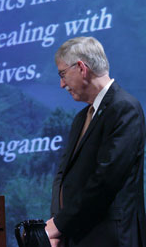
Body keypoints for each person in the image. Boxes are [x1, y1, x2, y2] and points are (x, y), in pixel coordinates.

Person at [46, 36, 146, 247]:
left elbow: (106, 180)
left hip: (110, 239)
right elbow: (65, 177)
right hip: (78, 236)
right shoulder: (81, 117)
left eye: (63, 74)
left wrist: (60, 225)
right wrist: (58, 230)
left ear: (81, 67)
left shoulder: (124, 108)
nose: (61, 83)